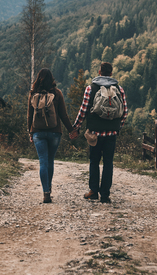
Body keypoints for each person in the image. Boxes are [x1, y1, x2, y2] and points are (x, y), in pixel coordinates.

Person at [70, 62, 128, 203]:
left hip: (94, 134)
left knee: (94, 161)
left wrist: (75, 127)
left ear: (99, 72)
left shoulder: (91, 88)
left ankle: (93, 191)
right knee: (108, 163)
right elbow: (124, 112)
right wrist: (117, 127)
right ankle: (105, 194)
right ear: (111, 73)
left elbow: (83, 111)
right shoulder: (119, 89)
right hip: (111, 134)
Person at [27, 68, 74, 203]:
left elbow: (30, 115)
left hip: (38, 132)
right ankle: (49, 187)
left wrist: (30, 131)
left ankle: (45, 192)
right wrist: (71, 130)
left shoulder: (33, 94)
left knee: (43, 161)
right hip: (55, 132)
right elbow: (63, 115)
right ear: (52, 79)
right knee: (50, 160)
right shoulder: (57, 94)